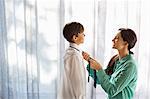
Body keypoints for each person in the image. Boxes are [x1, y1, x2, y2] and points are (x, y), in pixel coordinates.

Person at [82, 28, 137, 99]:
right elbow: (102, 79)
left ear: (126, 43)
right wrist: (91, 63)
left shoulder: (130, 66)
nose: (113, 40)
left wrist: (99, 68)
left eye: (117, 38)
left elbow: (112, 90)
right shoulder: (116, 60)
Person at [58, 22, 86, 99]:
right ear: (75, 38)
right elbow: (77, 82)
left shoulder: (71, 52)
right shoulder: (74, 55)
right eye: (82, 33)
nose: (84, 35)